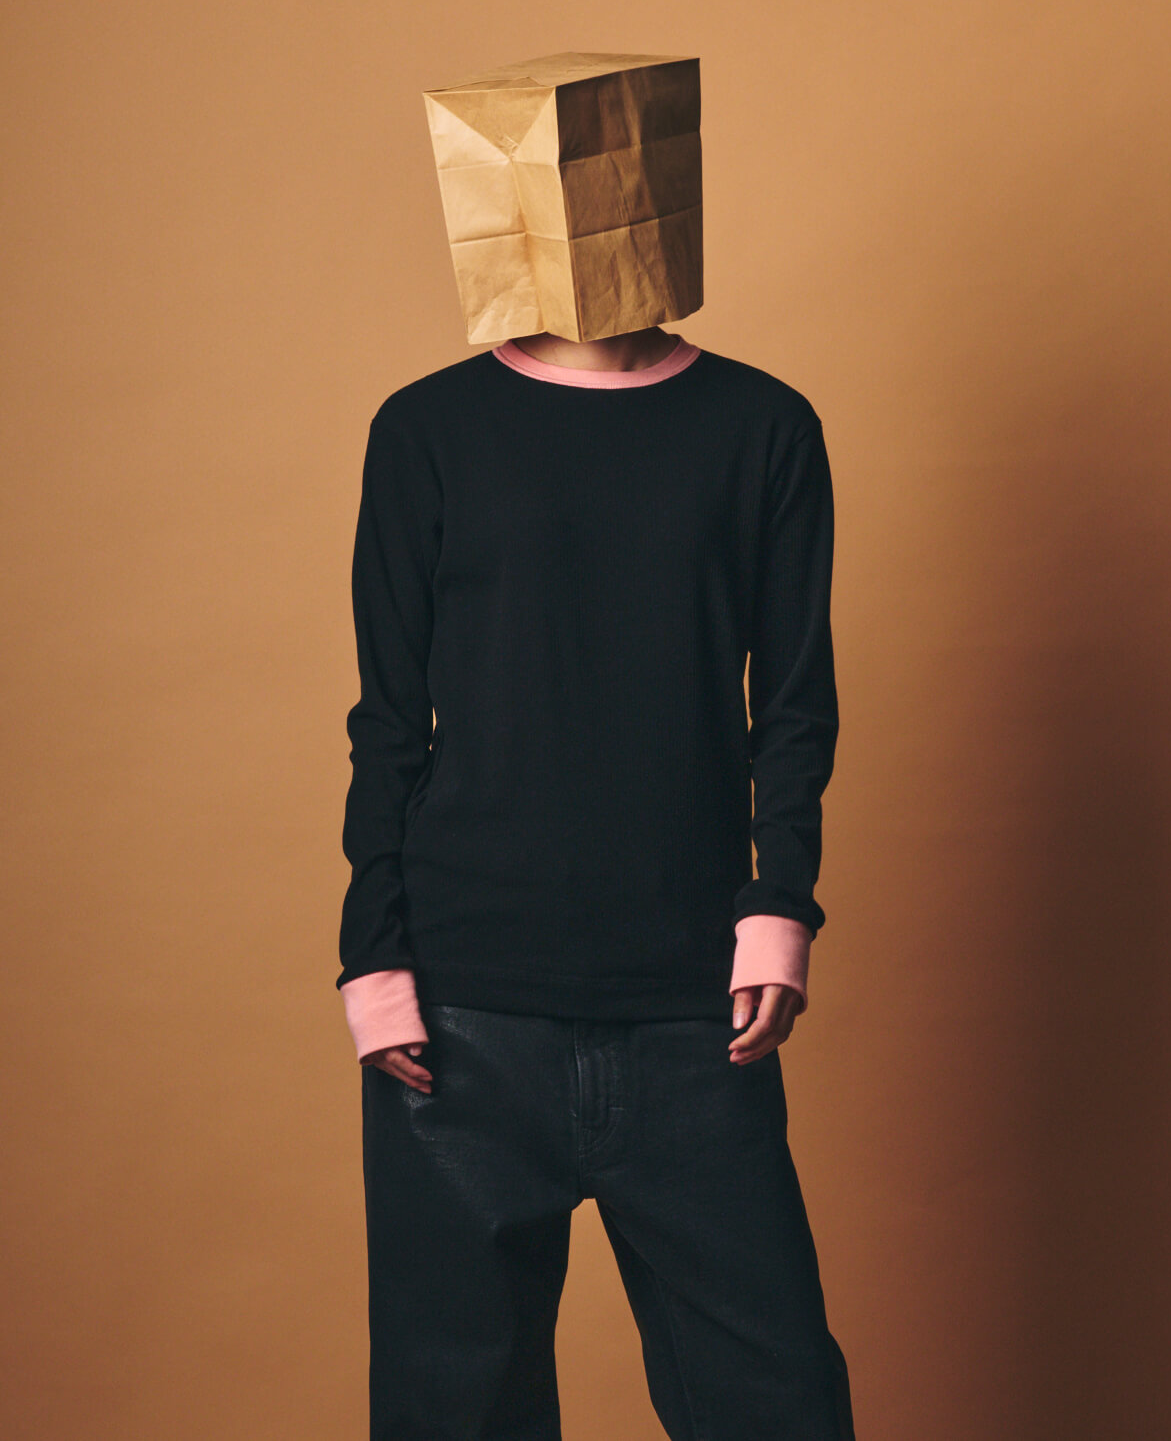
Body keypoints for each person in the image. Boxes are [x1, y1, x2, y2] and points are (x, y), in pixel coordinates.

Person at [335, 317, 858, 1440]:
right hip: (461, 1023)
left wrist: (780, 905)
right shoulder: (426, 427)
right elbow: (388, 721)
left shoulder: (765, 426)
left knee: (779, 1406)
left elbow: (794, 706)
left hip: (696, 1016)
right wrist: (371, 958)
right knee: (455, 1416)